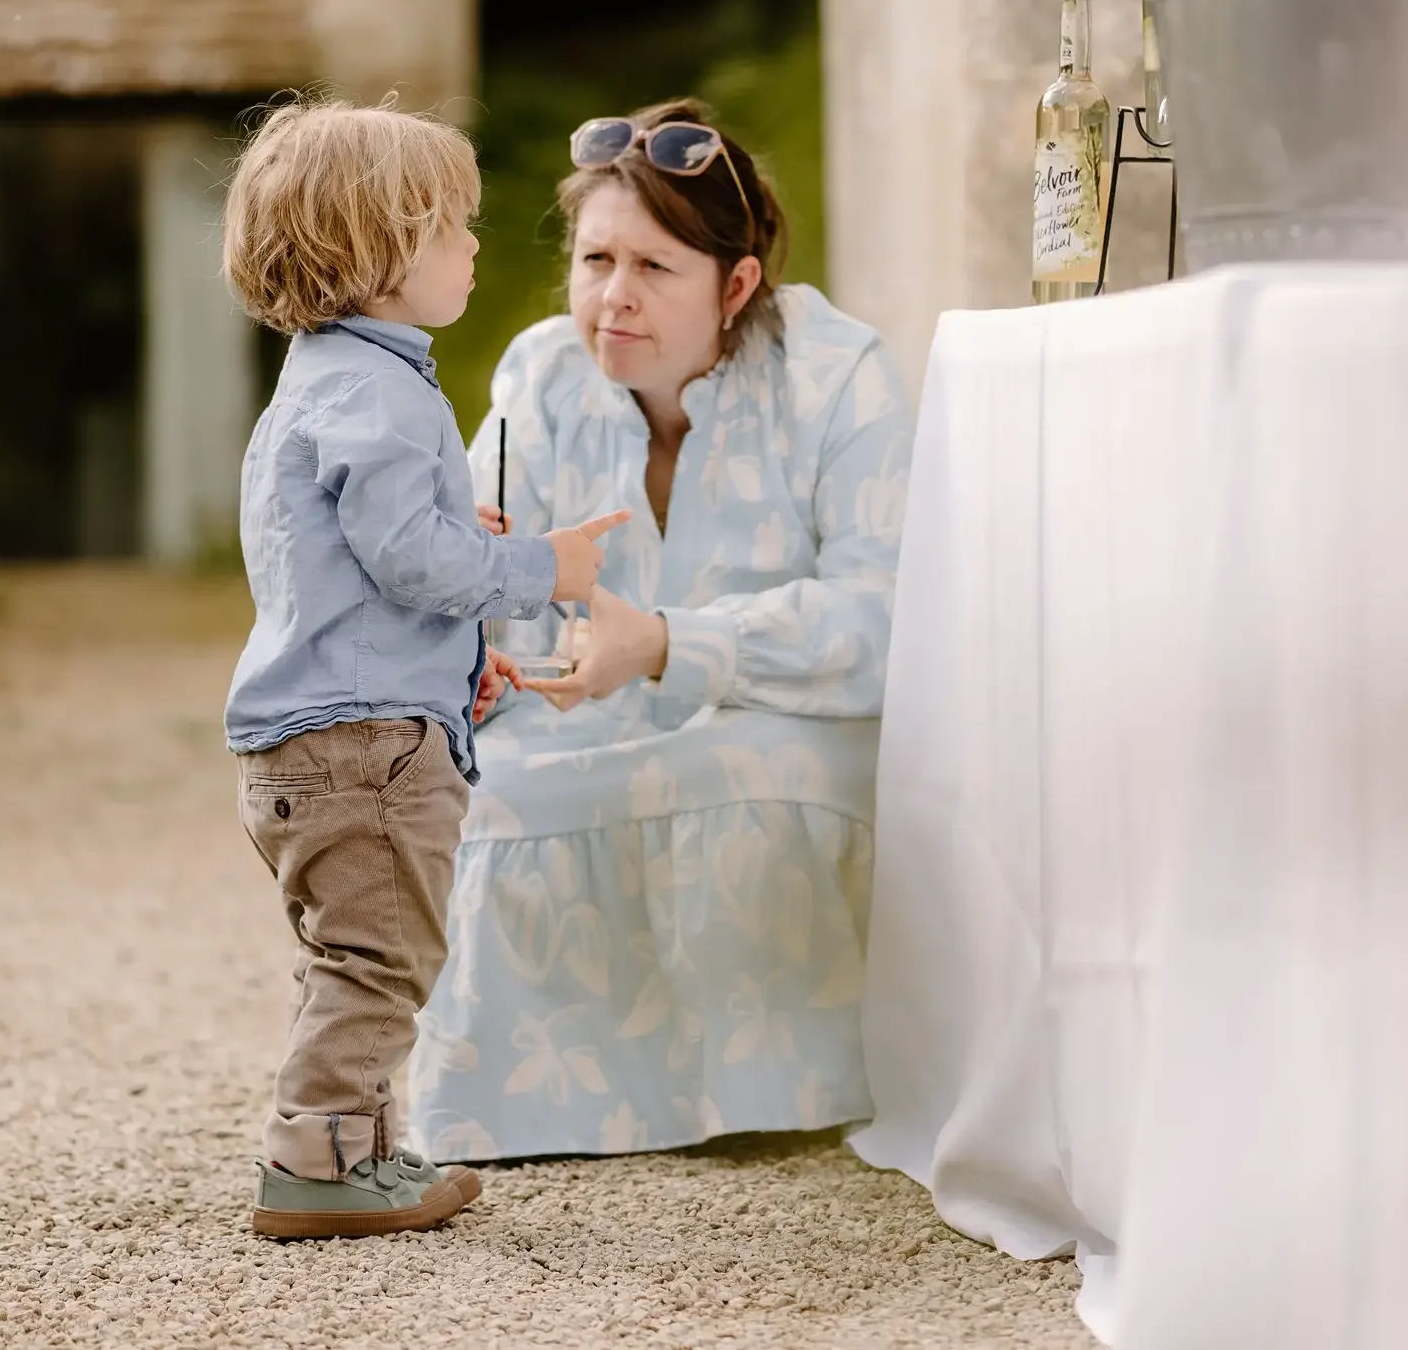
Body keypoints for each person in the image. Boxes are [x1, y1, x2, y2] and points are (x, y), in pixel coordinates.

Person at [405, 99, 913, 1162]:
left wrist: (673, 642)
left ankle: (775, 1090)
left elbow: (881, 618)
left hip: (787, 722)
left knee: (759, 769)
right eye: (596, 260)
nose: (613, 299)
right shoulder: (537, 375)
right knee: (486, 791)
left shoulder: (838, 374)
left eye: (654, 268)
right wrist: (477, 619)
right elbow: (480, 597)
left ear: (736, 285)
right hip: (583, 725)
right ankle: (539, 1106)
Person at [220, 98, 629, 1238]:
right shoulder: (382, 394)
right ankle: (316, 1164)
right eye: (453, 224)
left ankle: (359, 1148)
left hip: (324, 730)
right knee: (378, 958)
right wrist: (541, 564)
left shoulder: (325, 378)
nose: (474, 244)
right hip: (366, 745)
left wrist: (455, 586)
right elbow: (410, 562)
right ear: (377, 251)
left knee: (357, 952)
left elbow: (345, 560)